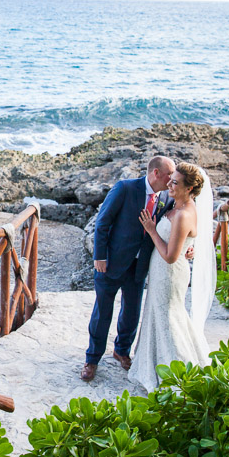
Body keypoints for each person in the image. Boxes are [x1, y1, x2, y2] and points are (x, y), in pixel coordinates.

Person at [81, 156, 176, 382]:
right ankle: (92, 359)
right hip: (111, 262)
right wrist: (100, 256)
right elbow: (102, 222)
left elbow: (175, 224)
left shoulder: (165, 197)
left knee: (132, 312)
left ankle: (121, 350)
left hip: (139, 265)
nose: (172, 181)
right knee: (102, 312)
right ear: (155, 174)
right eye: (169, 175)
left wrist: (187, 250)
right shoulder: (125, 188)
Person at [128, 162, 216, 392]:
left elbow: (169, 255)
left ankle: (178, 368)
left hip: (169, 273)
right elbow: (187, 240)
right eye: (171, 179)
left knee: (169, 317)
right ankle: (155, 361)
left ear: (189, 189)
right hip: (160, 271)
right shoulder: (175, 204)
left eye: (175, 182)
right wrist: (191, 245)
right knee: (158, 313)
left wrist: (151, 230)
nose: (169, 184)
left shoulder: (184, 214)